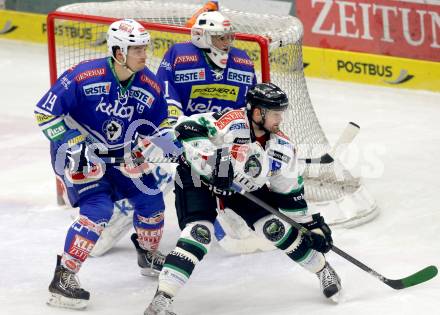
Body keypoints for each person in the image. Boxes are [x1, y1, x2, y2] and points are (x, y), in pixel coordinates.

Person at [144, 83, 342, 315]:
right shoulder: (232, 121)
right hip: (198, 179)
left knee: (274, 228)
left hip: (243, 187)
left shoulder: (283, 148)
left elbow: (290, 196)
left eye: (281, 113)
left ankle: (322, 269)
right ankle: (162, 300)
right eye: (276, 113)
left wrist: (311, 227)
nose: (280, 119)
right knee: (199, 232)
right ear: (258, 112)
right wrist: (212, 161)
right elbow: (185, 127)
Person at [34, 19, 180, 310]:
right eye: (136, 49)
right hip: (79, 152)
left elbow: (160, 125)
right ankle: (64, 276)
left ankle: (148, 254)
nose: (144, 54)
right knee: (99, 209)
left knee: (151, 198)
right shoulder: (82, 75)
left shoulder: (148, 83)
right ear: (117, 51)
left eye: (145, 48)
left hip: (121, 153)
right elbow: (44, 113)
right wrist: (73, 143)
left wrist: (176, 148)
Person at [93, 10, 258, 256]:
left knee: (238, 165)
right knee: (163, 170)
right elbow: (165, 98)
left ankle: (230, 212)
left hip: (220, 137)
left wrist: (233, 140)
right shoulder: (180, 56)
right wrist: (177, 133)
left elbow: (247, 108)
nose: (226, 43)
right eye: (220, 37)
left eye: (228, 37)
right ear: (202, 36)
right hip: (181, 132)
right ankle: (117, 220)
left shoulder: (242, 62)